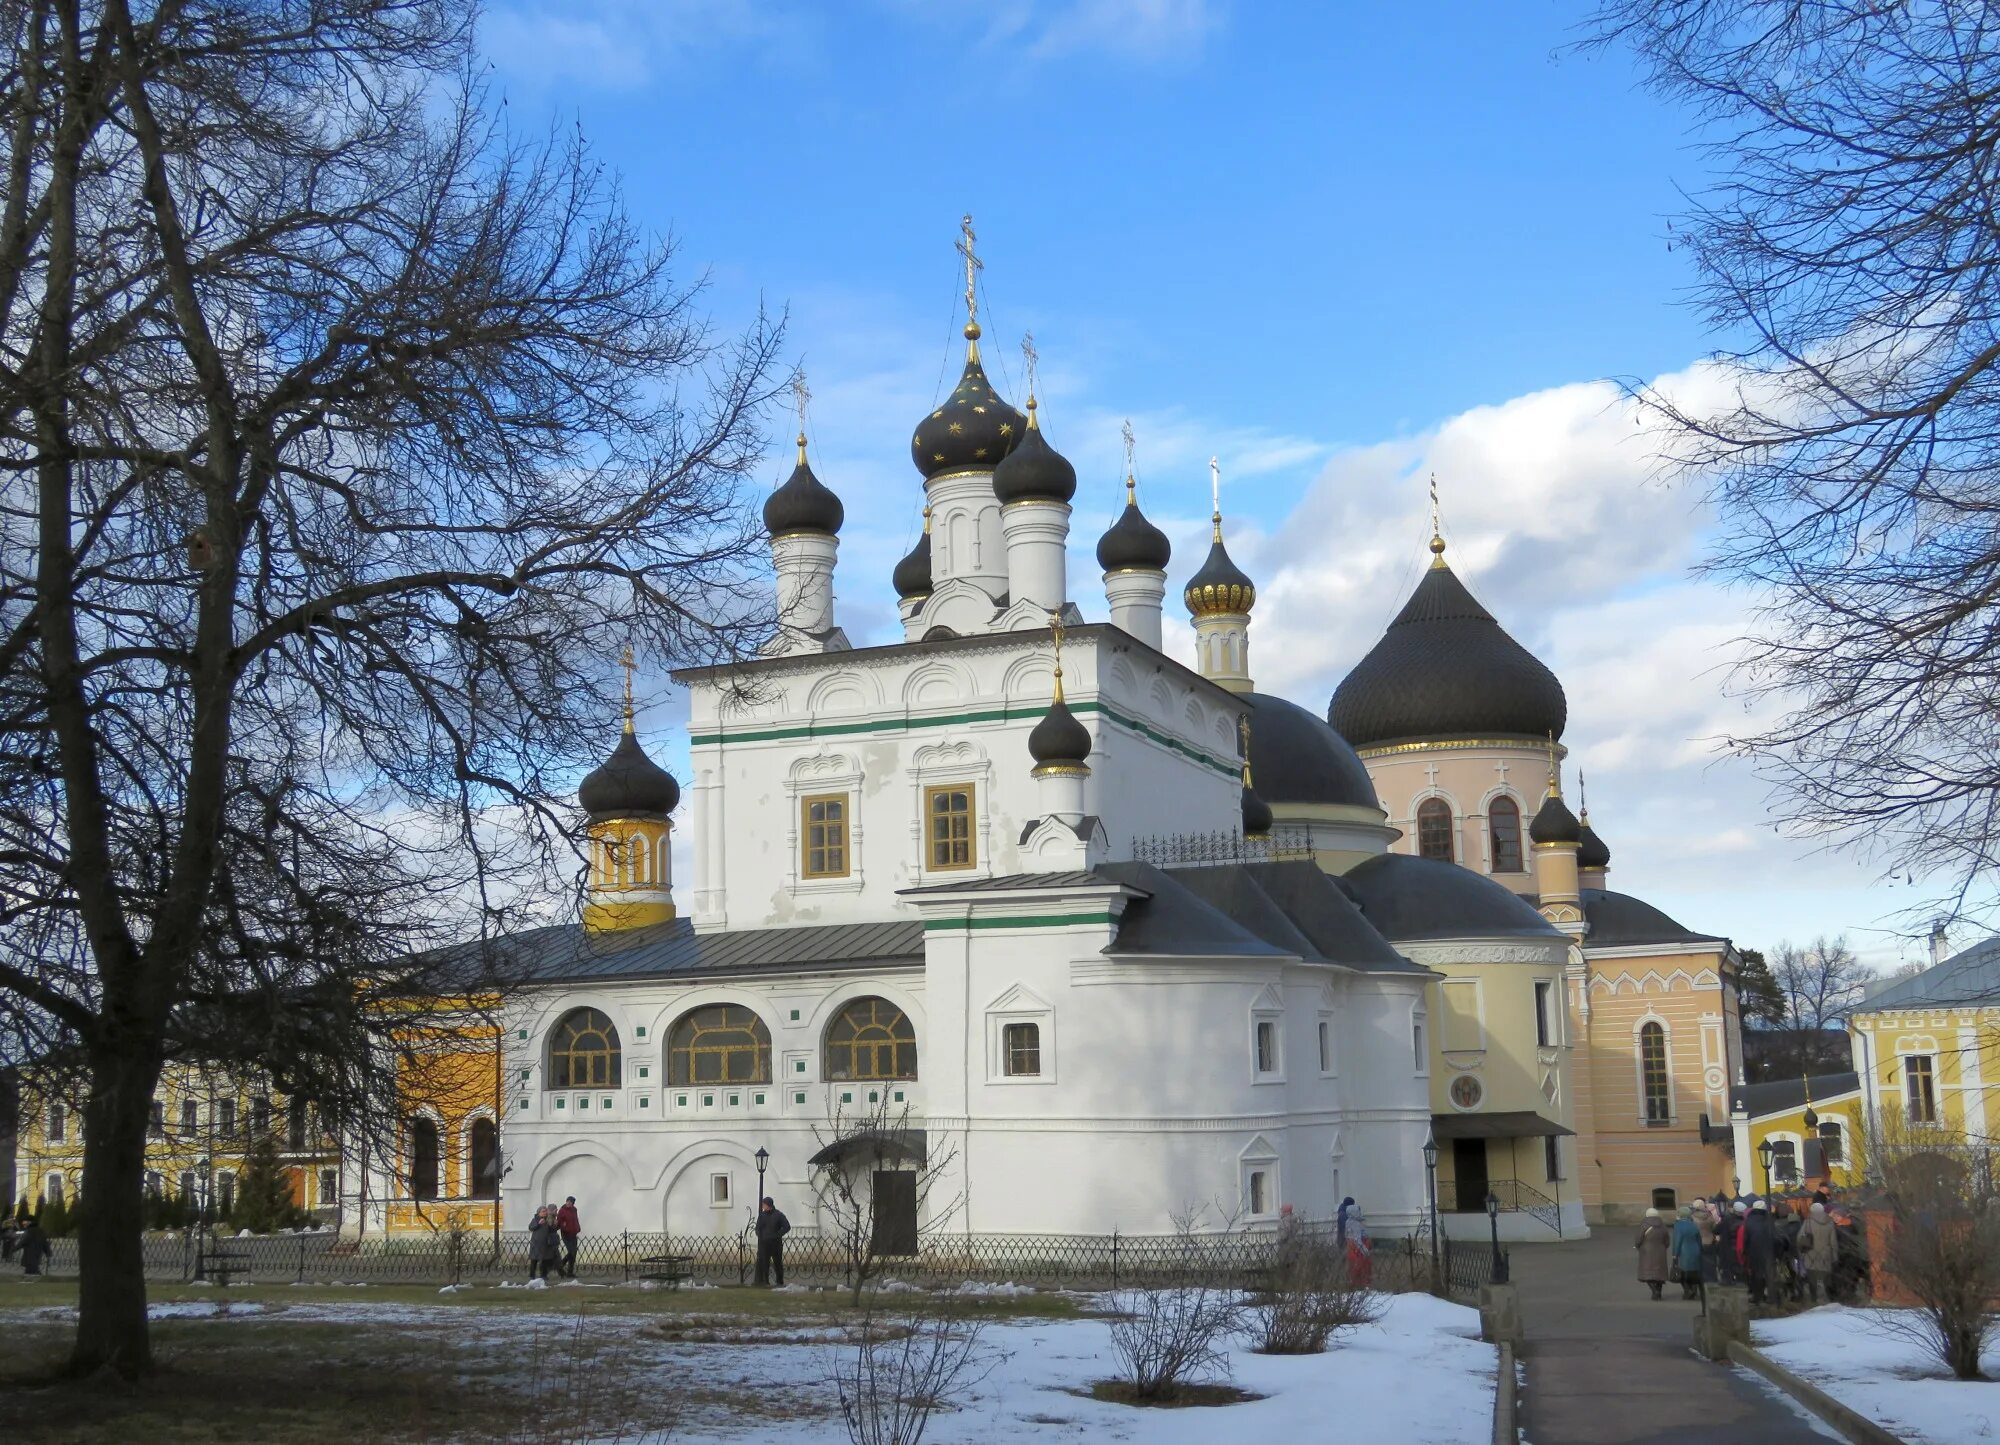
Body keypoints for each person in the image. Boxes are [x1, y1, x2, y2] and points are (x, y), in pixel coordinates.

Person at [1797, 1201, 1839, 1303]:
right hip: (1826, 1254)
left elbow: (1800, 1238)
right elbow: (1833, 1241)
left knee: (1812, 1278)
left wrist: (1801, 1253)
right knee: (1826, 1277)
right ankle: (1829, 1299)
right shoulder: (1830, 1221)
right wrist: (1835, 1256)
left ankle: (1813, 1299)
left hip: (1811, 1253)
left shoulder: (1808, 1221)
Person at [1741, 1199, 1777, 1306]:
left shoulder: (1748, 1221)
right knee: (1769, 1274)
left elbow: (1745, 1238)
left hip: (1754, 1251)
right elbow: (1774, 1235)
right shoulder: (1769, 1220)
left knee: (1756, 1274)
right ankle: (1770, 1297)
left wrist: (1746, 1251)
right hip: (1769, 1251)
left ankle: (1757, 1296)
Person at [754, 1196, 791, 1287]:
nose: (763, 1206)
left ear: (768, 1205)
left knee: (777, 1263)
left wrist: (777, 1235)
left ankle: (779, 1281)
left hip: (776, 1244)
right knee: (765, 1263)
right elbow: (758, 1228)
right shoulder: (762, 1215)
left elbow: (787, 1226)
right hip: (765, 1244)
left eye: (764, 1204)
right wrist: (760, 1235)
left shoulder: (778, 1215)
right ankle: (765, 1281)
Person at [1635, 1208, 1671, 1300]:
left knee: (1648, 1274)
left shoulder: (1644, 1225)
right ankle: (1658, 1293)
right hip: (1660, 1251)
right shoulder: (1662, 1226)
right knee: (1660, 1274)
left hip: (1647, 1251)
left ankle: (1655, 1291)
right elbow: (1667, 1240)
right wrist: (1664, 1247)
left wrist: (1638, 1246)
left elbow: (1639, 1239)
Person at [1671, 1205, 1704, 1301]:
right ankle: (1693, 1290)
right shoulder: (1694, 1224)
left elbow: (1678, 1240)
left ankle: (1687, 1290)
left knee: (1683, 1274)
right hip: (1695, 1250)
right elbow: (1699, 1239)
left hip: (1684, 1251)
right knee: (1694, 1272)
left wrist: (1675, 1254)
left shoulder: (1678, 1225)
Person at [527, 1204, 558, 1282]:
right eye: (543, 1211)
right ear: (539, 1213)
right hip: (536, 1243)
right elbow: (531, 1227)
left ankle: (543, 1275)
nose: (545, 1213)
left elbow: (552, 1230)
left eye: (545, 1211)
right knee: (534, 1260)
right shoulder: (536, 1219)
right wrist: (538, 1224)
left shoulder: (548, 1219)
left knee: (545, 1260)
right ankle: (532, 1275)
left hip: (545, 1244)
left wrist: (554, 1225)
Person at [556, 1196, 581, 1279]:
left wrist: (578, 1228)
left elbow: (575, 1220)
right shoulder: (562, 1210)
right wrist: (564, 1227)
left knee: (573, 1254)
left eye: (570, 1202)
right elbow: (559, 1221)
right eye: (567, 1201)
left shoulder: (574, 1210)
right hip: (566, 1234)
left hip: (573, 1233)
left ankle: (570, 1272)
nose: (568, 1203)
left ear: (573, 1203)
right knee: (571, 1251)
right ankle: (560, 1265)